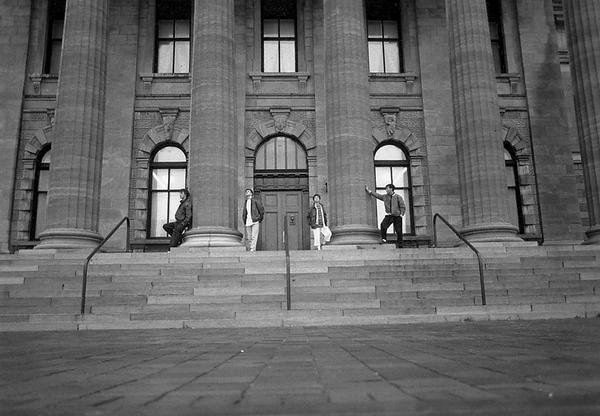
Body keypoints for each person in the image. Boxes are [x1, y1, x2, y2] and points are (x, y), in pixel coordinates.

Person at [365, 183, 406, 248]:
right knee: (383, 225)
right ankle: (384, 239)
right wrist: (369, 191)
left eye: (387, 188)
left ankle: (400, 244)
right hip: (389, 215)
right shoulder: (385, 196)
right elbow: (378, 196)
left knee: (398, 231)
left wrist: (401, 214)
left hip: (397, 216)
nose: (386, 190)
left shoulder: (398, 197)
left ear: (391, 189)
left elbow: (402, 206)